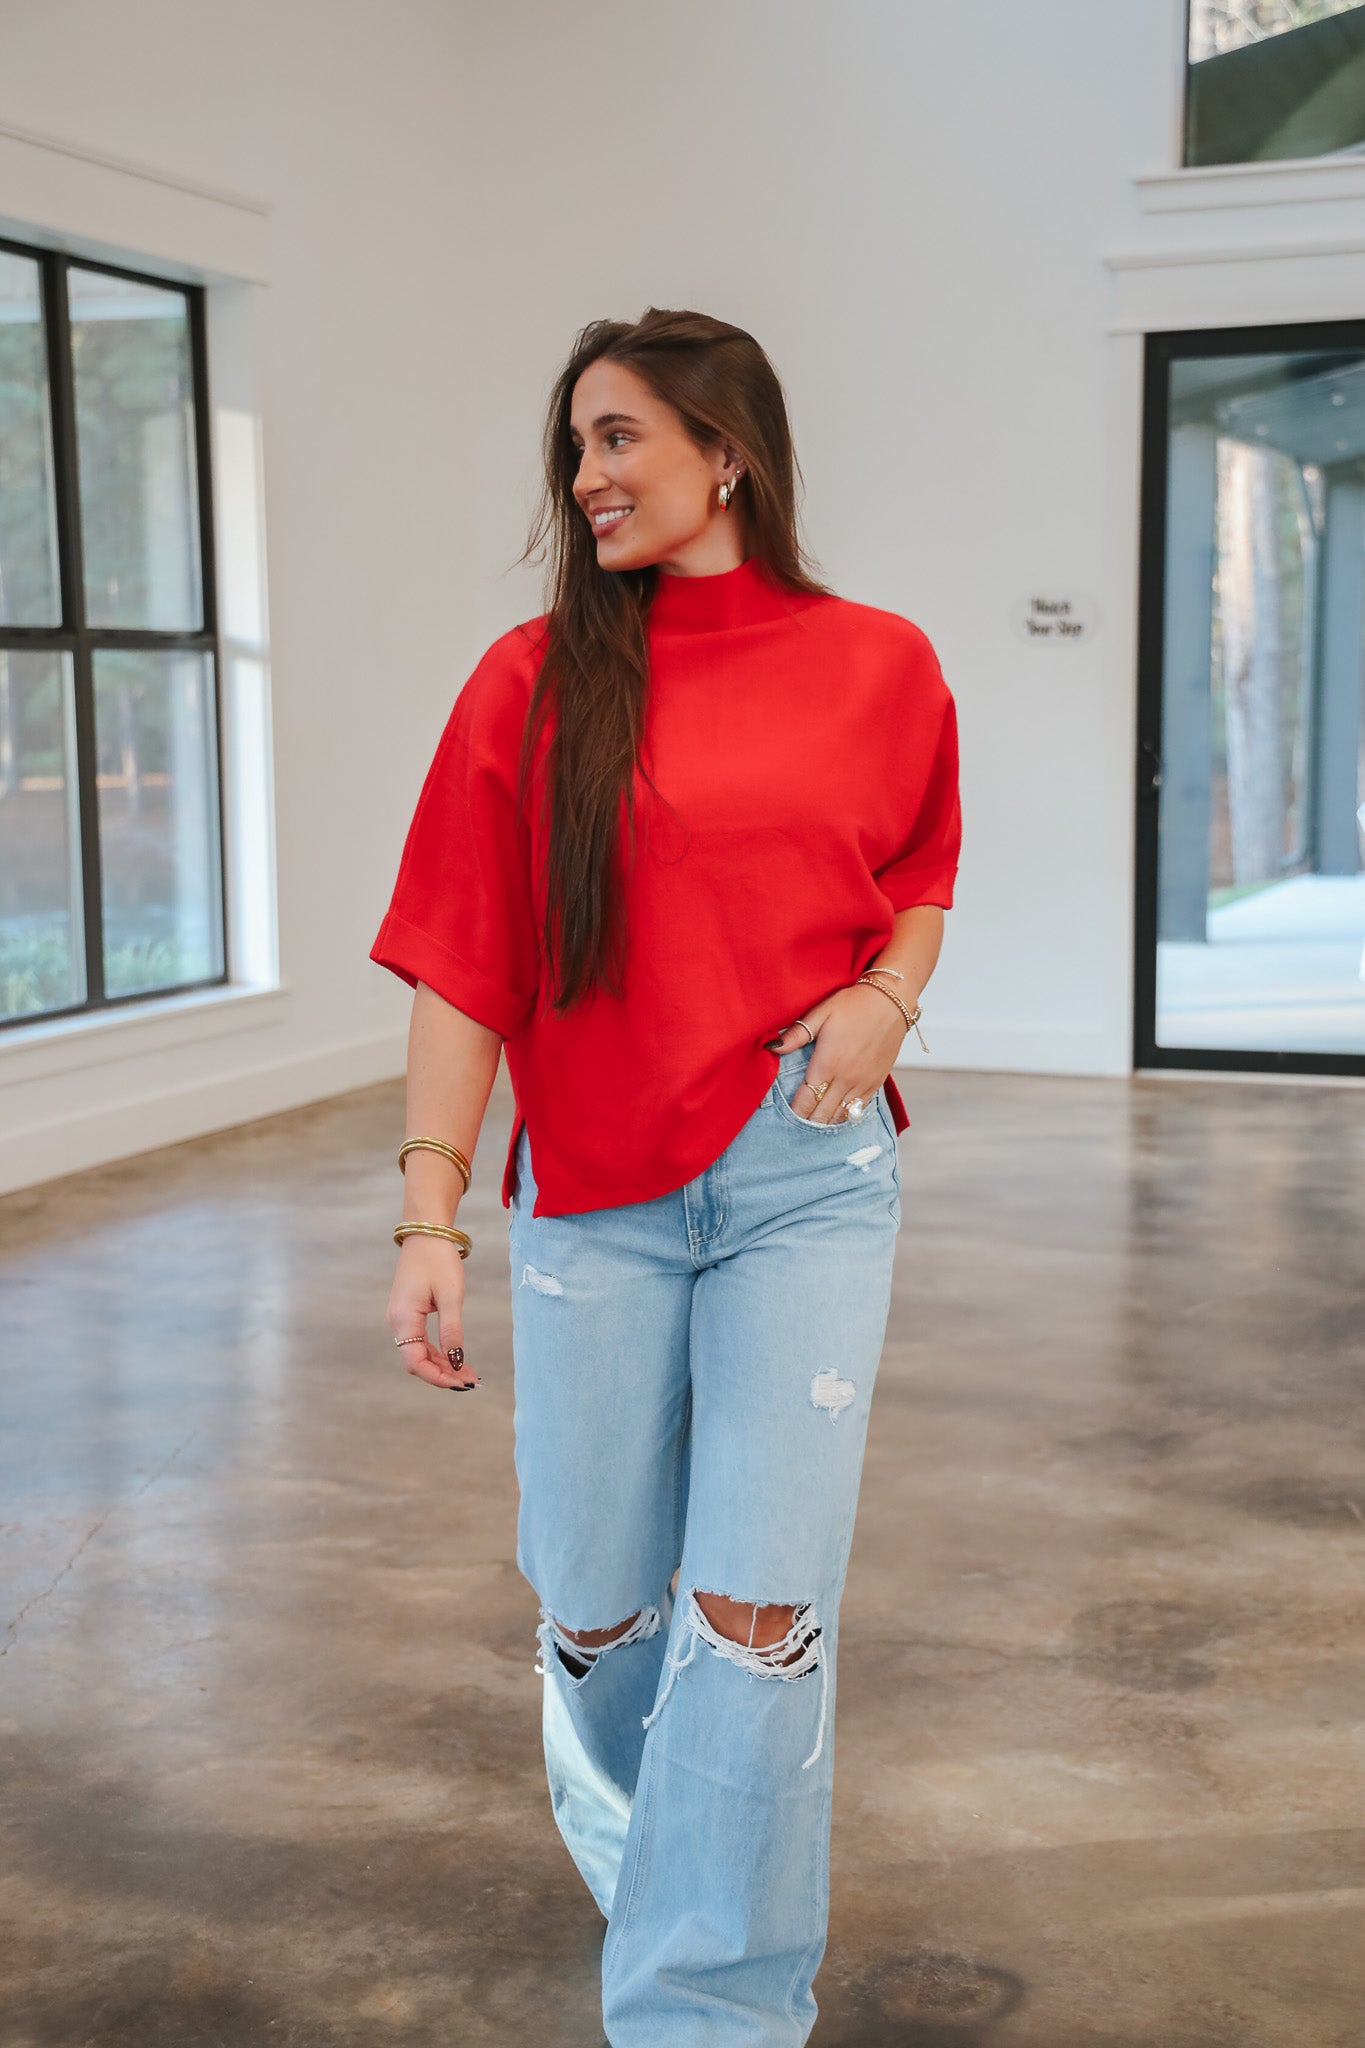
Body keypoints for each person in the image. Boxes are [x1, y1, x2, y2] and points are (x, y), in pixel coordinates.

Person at [370, 306, 961, 2048]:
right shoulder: (530, 680)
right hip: (594, 1202)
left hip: (803, 1176)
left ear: (728, 451)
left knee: (758, 1614)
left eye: (618, 437)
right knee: (599, 1604)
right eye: (576, 446)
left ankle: (707, 2000)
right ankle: (668, 1878)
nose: (587, 476)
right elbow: (465, 965)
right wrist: (430, 1213)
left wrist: (884, 995)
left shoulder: (883, 662)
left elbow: (914, 866)